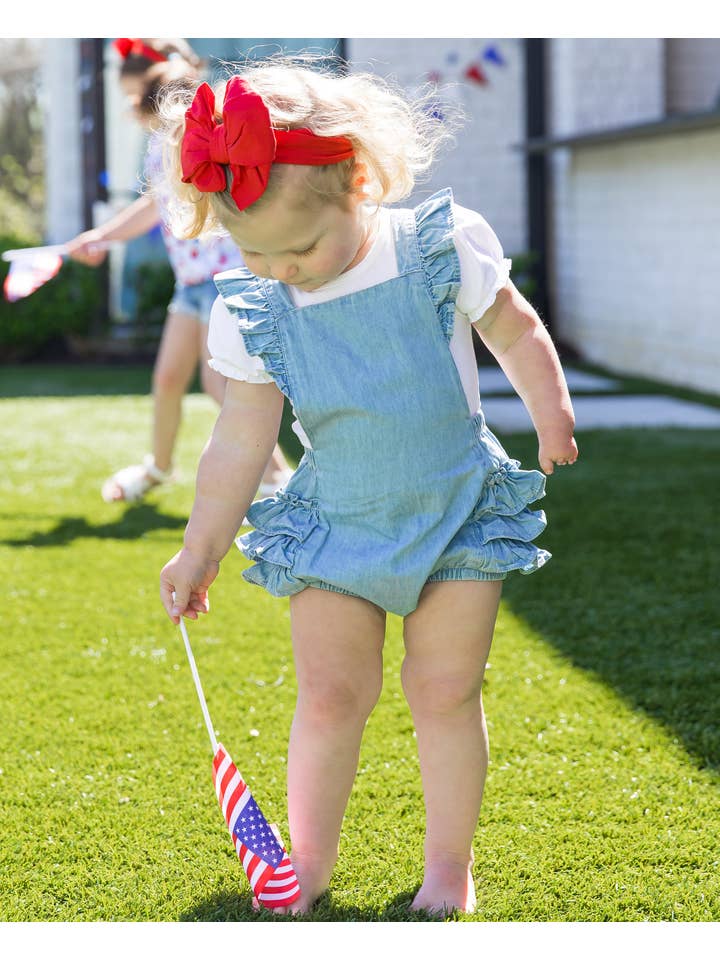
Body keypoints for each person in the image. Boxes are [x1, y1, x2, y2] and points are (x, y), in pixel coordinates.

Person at [158, 58, 578, 916]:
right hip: (336, 522)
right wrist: (199, 548)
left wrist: (552, 415)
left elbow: (516, 328)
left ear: (357, 179)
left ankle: (447, 867)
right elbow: (240, 438)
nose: (285, 270)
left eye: (301, 247)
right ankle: (306, 863)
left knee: (445, 690)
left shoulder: (433, 246)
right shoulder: (258, 302)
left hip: (457, 511)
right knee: (331, 694)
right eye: (255, 252)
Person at [66, 38, 292, 503]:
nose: (134, 112)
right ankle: (157, 468)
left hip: (223, 280)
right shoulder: (159, 146)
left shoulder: (204, 141)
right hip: (189, 283)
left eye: (136, 102)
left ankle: (277, 478)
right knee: (168, 378)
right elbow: (154, 205)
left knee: (218, 383)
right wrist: (102, 237)